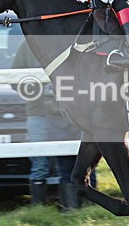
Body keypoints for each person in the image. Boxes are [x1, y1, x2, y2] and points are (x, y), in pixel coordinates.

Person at [11, 39, 82, 210]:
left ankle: (77, 205)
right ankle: (39, 209)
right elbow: (14, 78)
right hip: (38, 112)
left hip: (70, 111)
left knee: (77, 160)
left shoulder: (70, 40)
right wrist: (35, 91)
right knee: (40, 163)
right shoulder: (27, 45)